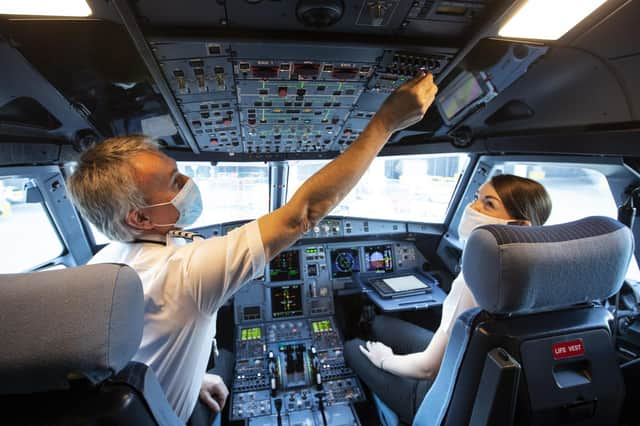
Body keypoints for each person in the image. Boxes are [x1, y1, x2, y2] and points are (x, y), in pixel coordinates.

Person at [66, 72, 438, 423]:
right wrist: (385, 122)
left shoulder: (102, 267)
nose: (187, 182)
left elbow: (137, 353)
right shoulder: (186, 270)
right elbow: (303, 215)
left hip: (153, 407)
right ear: (140, 219)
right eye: (173, 180)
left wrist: (193, 377)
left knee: (221, 361)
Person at [344, 174, 552, 425]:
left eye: (489, 204)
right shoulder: (545, 270)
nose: (472, 208)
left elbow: (427, 369)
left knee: (353, 347)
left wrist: (385, 360)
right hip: (475, 370)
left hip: (442, 398)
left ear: (520, 224)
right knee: (379, 324)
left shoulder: (476, 278)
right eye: (476, 198)